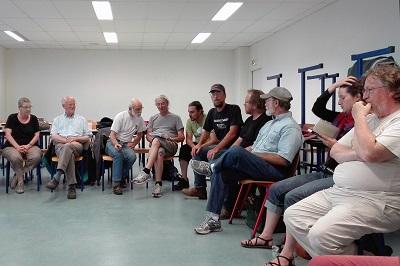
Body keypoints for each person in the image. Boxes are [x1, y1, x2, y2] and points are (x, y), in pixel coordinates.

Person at [270, 65, 400, 266]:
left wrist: (359, 122)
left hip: (377, 199)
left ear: (391, 90)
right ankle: (364, 259)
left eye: (369, 90)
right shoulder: (371, 119)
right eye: (364, 90)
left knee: (320, 237)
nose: (365, 97)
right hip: (342, 191)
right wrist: (361, 152)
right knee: (293, 215)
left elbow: (370, 152)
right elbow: (336, 151)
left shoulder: (393, 121)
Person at [240, 77, 363, 251]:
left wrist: (334, 145)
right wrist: (333, 87)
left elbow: (358, 153)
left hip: (339, 176)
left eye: (343, 98)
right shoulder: (340, 118)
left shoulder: (362, 124)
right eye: (339, 97)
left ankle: (288, 249)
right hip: (326, 170)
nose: (339, 102)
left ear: (358, 97)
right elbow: (317, 108)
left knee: (292, 195)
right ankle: (266, 237)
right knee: (275, 189)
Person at [191, 87, 303, 235]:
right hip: (259, 166)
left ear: (276, 103)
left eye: (267, 101)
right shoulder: (270, 124)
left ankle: (211, 167)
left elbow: (284, 160)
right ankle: (213, 220)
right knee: (223, 169)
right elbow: (255, 146)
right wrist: (248, 151)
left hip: (275, 171)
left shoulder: (290, 127)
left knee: (237, 151)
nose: (265, 104)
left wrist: (251, 154)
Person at [182, 84, 243, 199]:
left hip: (232, 148)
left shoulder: (233, 109)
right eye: (213, 94)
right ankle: (200, 189)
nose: (215, 96)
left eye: (218, 93)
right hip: (220, 147)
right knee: (197, 152)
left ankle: (221, 196)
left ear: (224, 95)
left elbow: (233, 133)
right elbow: (206, 131)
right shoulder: (212, 112)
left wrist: (217, 147)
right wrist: (198, 145)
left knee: (214, 156)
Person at [132, 95, 184, 198]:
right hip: (157, 146)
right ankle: (158, 185)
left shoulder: (176, 118)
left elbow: (182, 137)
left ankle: (146, 171)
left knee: (156, 141)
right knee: (159, 153)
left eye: (163, 103)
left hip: (171, 145)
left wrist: (169, 138)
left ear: (167, 104)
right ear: (156, 106)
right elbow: (148, 136)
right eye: (158, 104)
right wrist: (155, 140)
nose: (161, 106)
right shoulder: (153, 118)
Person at [46, 96, 92, 199]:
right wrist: (66, 140)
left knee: (69, 147)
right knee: (68, 152)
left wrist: (76, 139)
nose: (73, 106)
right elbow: (53, 136)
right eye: (70, 104)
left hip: (77, 145)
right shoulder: (57, 119)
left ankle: (57, 176)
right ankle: (71, 187)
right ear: (64, 106)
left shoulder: (82, 119)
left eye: (74, 104)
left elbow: (88, 136)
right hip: (61, 145)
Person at [105, 98, 146, 195]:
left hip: (126, 144)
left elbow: (140, 134)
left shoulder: (139, 119)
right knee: (118, 155)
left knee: (132, 157)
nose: (139, 111)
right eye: (137, 109)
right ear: (130, 108)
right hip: (112, 142)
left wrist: (134, 143)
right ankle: (116, 184)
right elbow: (112, 135)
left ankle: (121, 177)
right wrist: (116, 144)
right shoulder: (121, 116)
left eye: (140, 109)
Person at [2, 97, 42, 194]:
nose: (28, 109)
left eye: (29, 107)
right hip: (12, 146)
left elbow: (37, 135)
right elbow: (8, 134)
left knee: (37, 157)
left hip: (30, 146)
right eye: (25, 107)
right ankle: (20, 182)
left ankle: (17, 176)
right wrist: (17, 147)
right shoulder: (12, 117)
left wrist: (28, 145)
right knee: (16, 158)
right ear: (19, 108)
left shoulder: (33, 118)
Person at [173, 101, 206, 191]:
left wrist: (199, 146)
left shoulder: (207, 119)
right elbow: (188, 139)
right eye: (189, 112)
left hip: (207, 144)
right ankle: (184, 179)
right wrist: (193, 147)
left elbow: (211, 138)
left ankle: (199, 185)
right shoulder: (189, 121)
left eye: (192, 112)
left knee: (198, 152)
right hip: (196, 144)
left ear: (200, 111)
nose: (189, 114)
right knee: (184, 149)